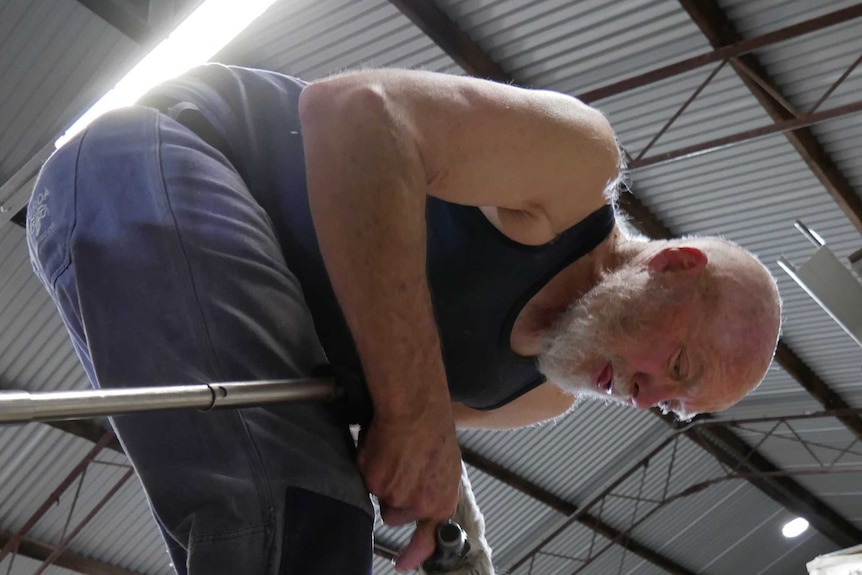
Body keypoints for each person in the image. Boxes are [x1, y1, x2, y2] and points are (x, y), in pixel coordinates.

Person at [25, 64, 781, 575]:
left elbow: (393, 430)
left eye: (675, 407)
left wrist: (445, 514)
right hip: (153, 158)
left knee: (306, 526)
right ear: (674, 266)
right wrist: (419, 415)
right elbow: (355, 112)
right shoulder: (574, 171)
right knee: (295, 510)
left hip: (265, 320)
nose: (648, 398)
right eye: (676, 367)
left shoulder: (537, 392)